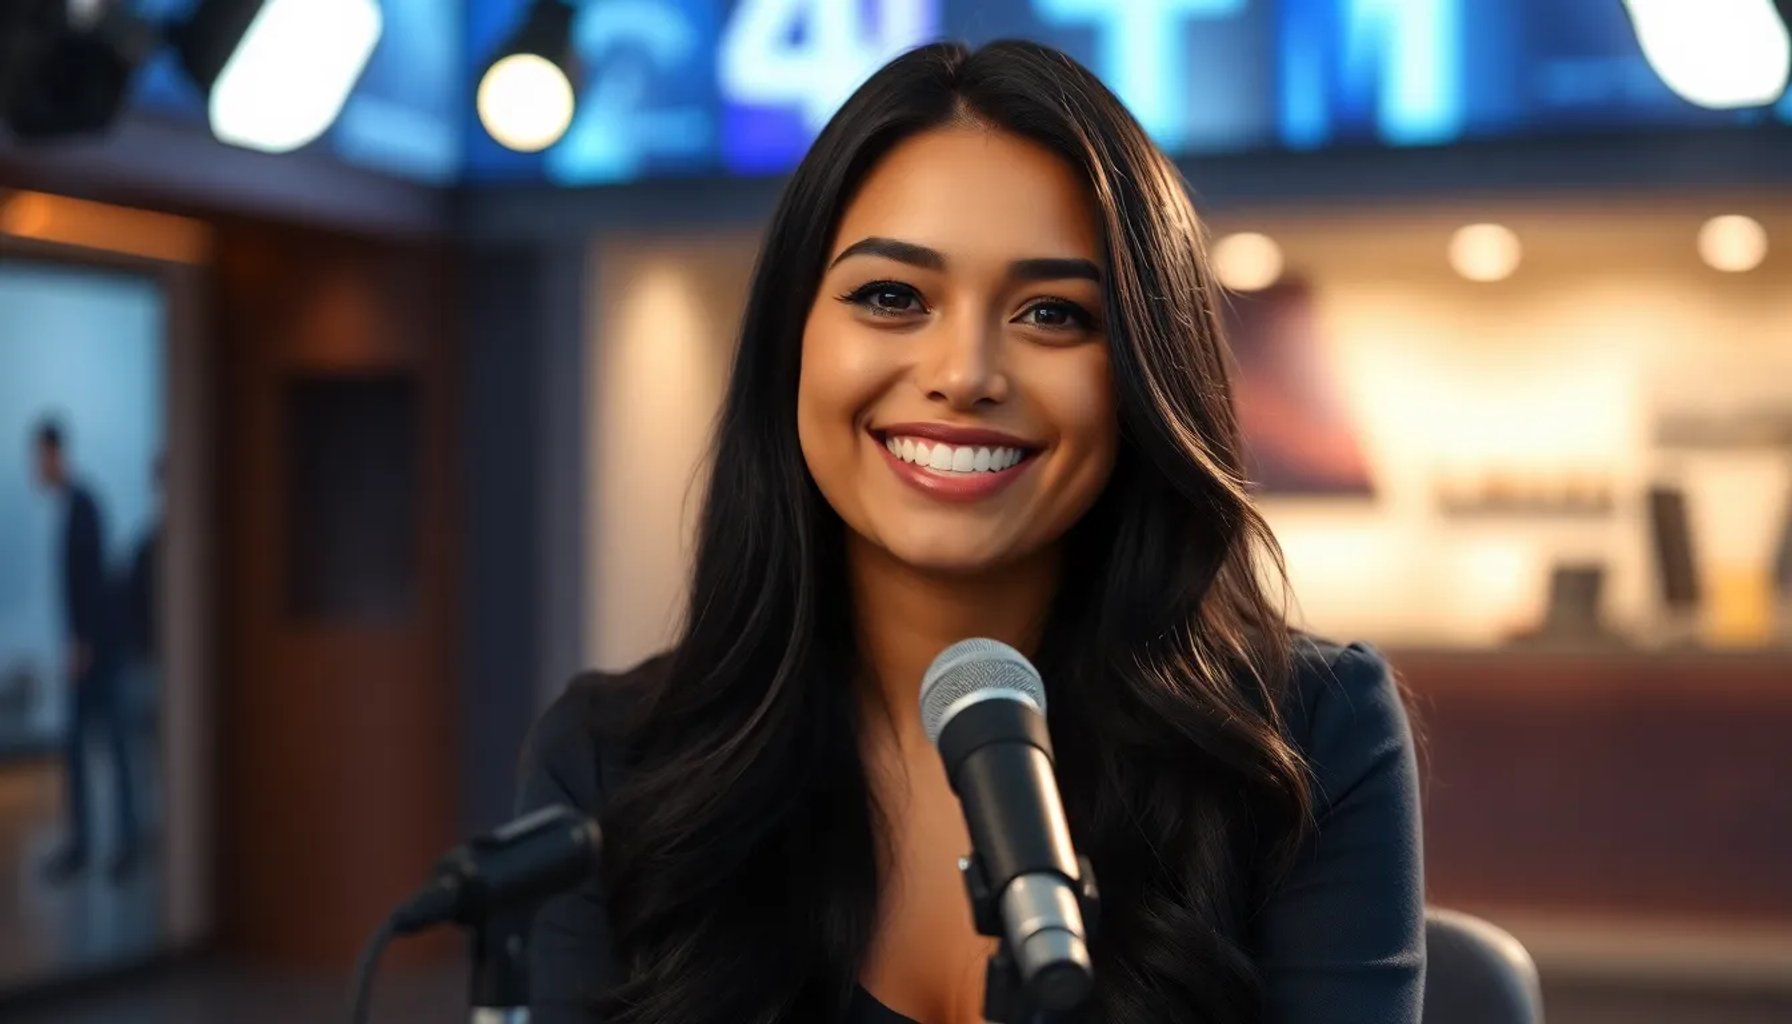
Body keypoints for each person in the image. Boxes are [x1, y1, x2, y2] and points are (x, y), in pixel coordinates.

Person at [518, 41, 1423, 1024]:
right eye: (891, 297)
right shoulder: (610, 765)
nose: (965, 372)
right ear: (792, 343)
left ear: (1140, 375)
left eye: (1051, 312)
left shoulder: (1305, 742)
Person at [32, 418, 140, 883]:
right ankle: (89, 845)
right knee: (87, 749)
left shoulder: (83, 507)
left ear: (54, 454)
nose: (37, 468)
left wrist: (84, 646)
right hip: (93, 649)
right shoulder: (75, 506)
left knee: (109, 748)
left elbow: (94, 585)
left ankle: (119, 846)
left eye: (40, 457)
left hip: (98, 652)